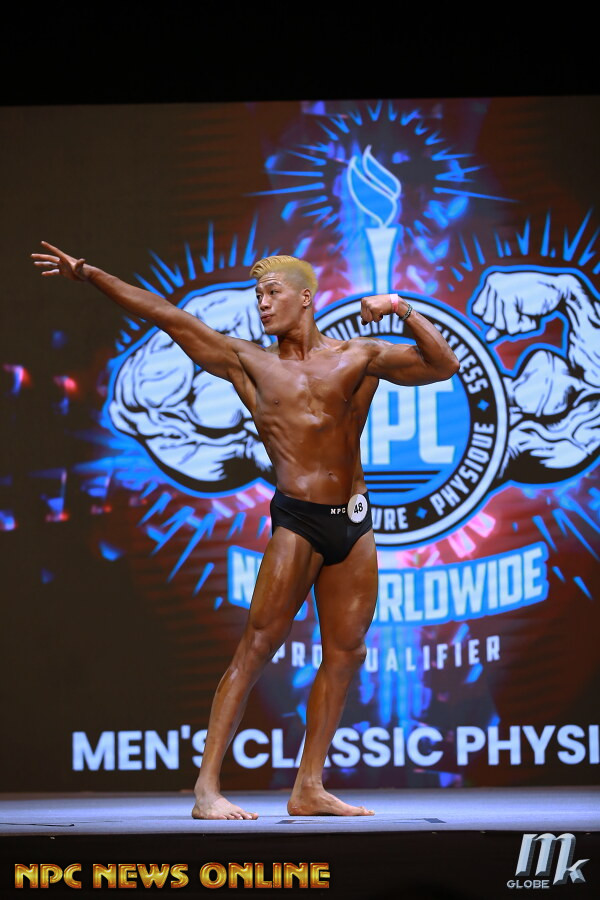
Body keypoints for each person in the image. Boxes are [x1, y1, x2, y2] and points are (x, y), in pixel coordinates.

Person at [32, 243, 460, 819]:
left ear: (305, 298)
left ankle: (308, 787)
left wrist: (400, 308)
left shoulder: (359, 356)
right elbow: (167, 315)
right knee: (257, 648)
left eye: (271, 293)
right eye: (257, 295)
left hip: (354, 523)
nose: (261, 303)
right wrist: (89, 273)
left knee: (347, 652)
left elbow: (442, 365)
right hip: (299, 520)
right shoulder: (247, 361)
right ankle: (206, 790)